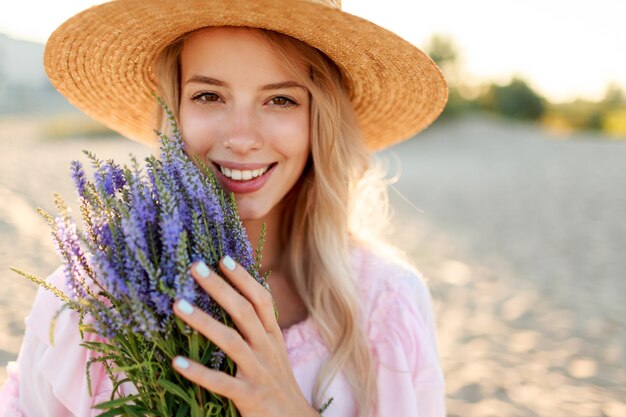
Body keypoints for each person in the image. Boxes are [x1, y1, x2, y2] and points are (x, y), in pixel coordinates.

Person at [0, 0, 448, 416]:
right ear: (173, 109)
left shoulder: (386, 304)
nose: (241, 136)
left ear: (320, 119)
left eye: (281, 99)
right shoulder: (91, 301)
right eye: (209, 96)